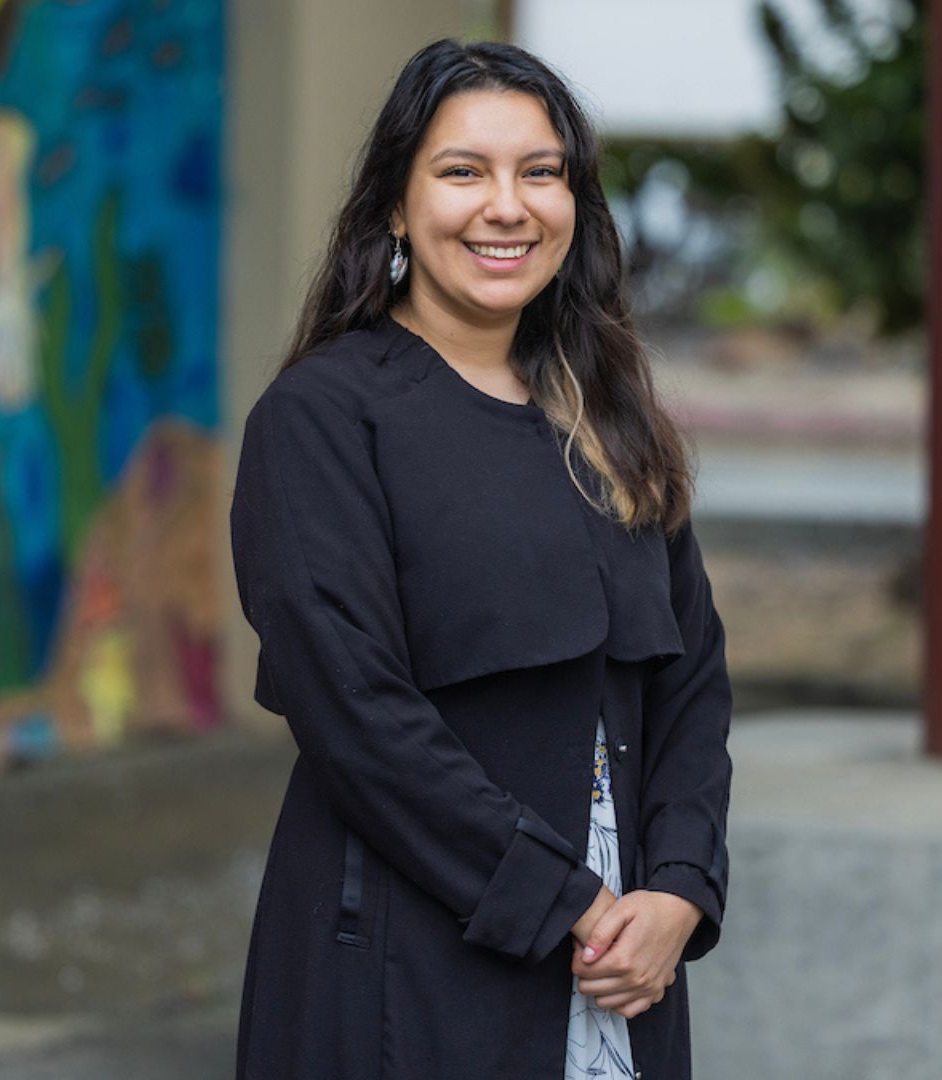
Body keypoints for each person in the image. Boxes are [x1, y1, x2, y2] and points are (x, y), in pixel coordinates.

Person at [229, 37, 733, 1080]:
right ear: (394, 209)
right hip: (406, 955)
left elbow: (692, 681)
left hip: (625, 954)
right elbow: (356, 711)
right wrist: (564, 901)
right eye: (463, 172)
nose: (507, 206)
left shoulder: (613, 417)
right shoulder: (323, 418)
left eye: (539, 173)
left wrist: (680, 887)